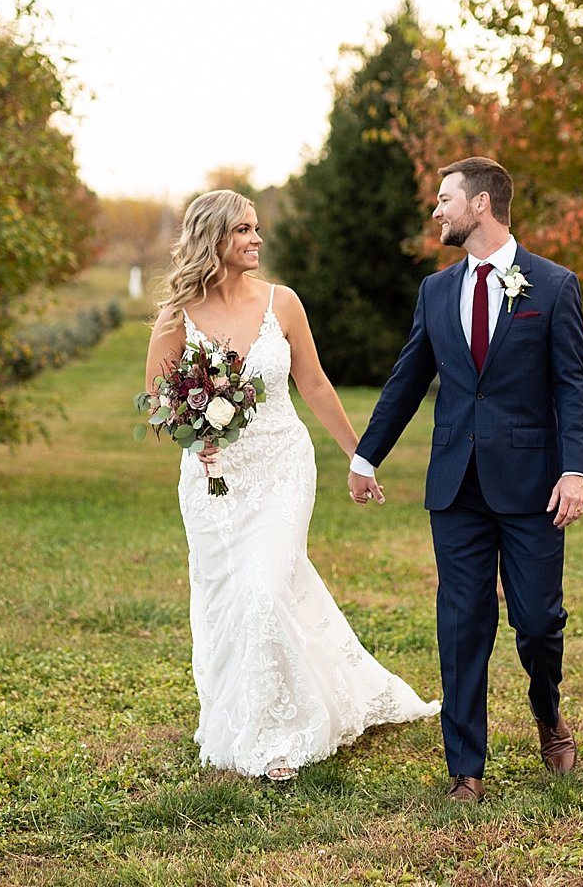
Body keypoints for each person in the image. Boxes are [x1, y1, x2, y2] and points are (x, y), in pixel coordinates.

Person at [146, 189, 440, 782]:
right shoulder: (178, 315)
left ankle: (275, 736)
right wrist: (194, 440)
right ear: (213, 238)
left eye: (256, 227)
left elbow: (316, 384)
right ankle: (248, 710)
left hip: (282, 465)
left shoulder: (283, 302)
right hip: (214, 478)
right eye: (243, 230)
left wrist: (360, 455)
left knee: (264, 590)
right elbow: (158, 398)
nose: (257, 238)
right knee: (229, 598)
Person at [349, 157, 583, 803]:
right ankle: (466, 771)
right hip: (456, 485)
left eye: (445, 199)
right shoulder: (436, 291)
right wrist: (366, 456)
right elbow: (407, 380)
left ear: (480, 204)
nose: (436, 210)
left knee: (537, 623)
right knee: (462, 625)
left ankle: (548, 712)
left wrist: (574, 470)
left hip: (533, 484)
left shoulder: (553, 286)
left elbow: (571, 386)